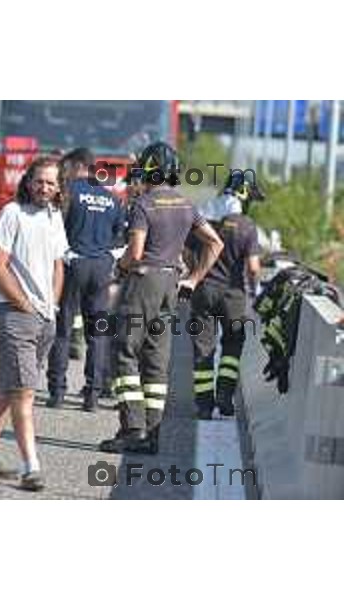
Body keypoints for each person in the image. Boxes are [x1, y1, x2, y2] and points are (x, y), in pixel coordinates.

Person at [99, 141, 224, 454]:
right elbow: (215, 243)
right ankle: (154, 433)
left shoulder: (143, 204)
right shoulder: (186, 204)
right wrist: (193, 279)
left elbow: (136, 252)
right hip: (172, 283)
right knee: (156, 360)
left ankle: (132, 429)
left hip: (143, 282)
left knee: (125, 351)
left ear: (149, 170)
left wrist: (119, 265)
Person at [0, 157, 68, 492]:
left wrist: (50, 304)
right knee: (24, 393)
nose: (45, 188)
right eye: (39, 181)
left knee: (9, 387)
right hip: (14, 315)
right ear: (28, 181)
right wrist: (23, 303)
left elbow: (58, 264)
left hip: (44, 317)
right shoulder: (12, 213)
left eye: (51, 183)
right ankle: (31, 468)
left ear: (58, 188)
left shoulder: (55, 216)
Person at [46, 148, 126, 411]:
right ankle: (92, 395)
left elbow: (54, 228)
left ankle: (57, 392)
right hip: (101, 269)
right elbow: (121, 237)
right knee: (98, 333)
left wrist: (65, 255)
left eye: (66, 166)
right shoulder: (112, 199)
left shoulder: (69, 192)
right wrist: (108, 259)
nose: (63, 171)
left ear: (78, 165)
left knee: (63, 330)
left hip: (73, 265)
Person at [187, 172, 263, 418]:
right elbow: (253, 268)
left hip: (204, 291)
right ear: (244, 195)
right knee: (232, 344)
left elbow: (186, 250)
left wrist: (192, 275)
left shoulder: (202, 216)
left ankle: (204, 405)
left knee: (202, 347)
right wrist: (257, 293)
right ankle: (225, 395)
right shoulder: (247, 226)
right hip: (234, 296)